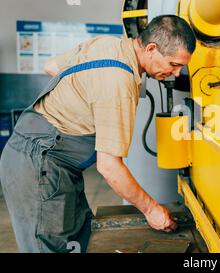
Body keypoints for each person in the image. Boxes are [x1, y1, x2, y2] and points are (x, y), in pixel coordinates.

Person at [0, 15, 196, 253]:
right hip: (38, 167)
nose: (176, 73)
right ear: (151, 49)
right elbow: (109, 166)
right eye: (173, 64)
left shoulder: (107, 44)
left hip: (48, 160)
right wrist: (152, 210)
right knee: (49, 246)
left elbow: (51, 66)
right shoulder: (119, 83)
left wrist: (84, 102)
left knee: (79, 238)